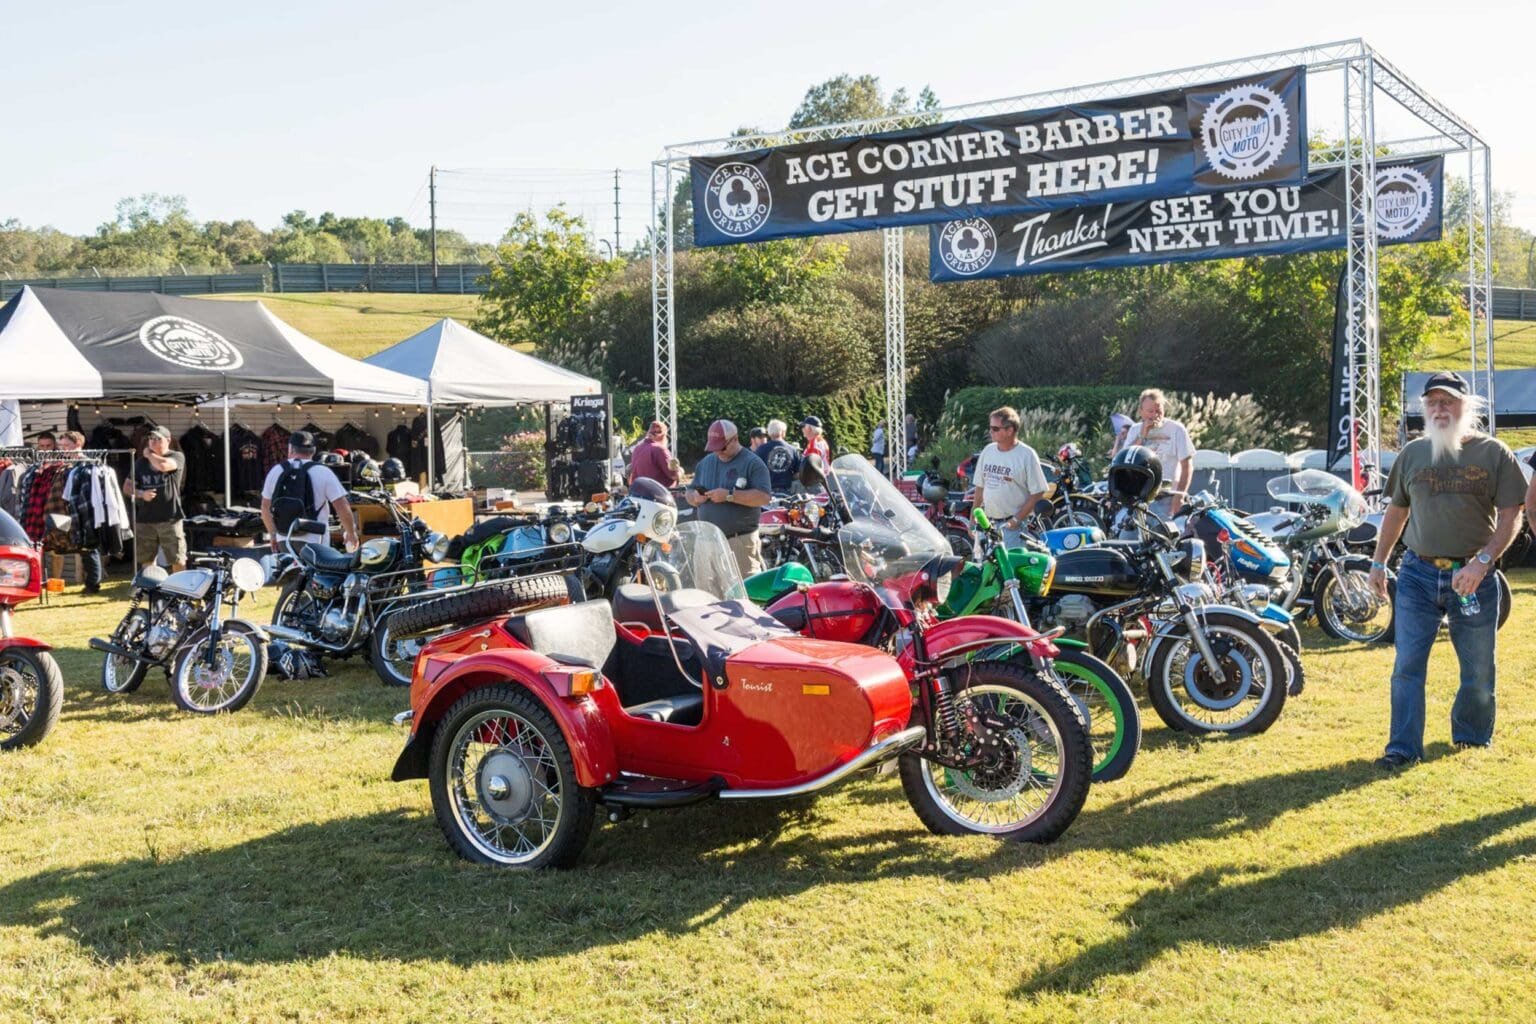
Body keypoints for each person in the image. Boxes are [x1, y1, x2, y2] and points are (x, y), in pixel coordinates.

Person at [1367, 371, 1525, 769]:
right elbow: (1396, 512)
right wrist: (1378, 562)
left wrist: (1483, 562)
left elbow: (1512, 516)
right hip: (1417, 574)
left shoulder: (1493, 453)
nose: (1440, 409)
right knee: (1406, 666)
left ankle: (1472, 737)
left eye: (1448, 401)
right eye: (1433, 402)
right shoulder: (1413, 454)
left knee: (1478, 668)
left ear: (1465, 406)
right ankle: (1402, 748)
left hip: (1473, 576)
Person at [685, 419, 771, 575]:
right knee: (705, 588)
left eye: (722, 448)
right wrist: (695, 498)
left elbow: (763, 497)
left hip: (739, 541)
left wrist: (729, 495)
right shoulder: (705, 463)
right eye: (714, 448)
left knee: (745, 587)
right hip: (706, 541)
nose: (718, 452)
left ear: (735, 439)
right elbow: (689, 492)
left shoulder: (753, 463)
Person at [260, 430, 358, 553]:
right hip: (315, 540)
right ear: (313, 450)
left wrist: (273, 534)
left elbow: (265, 507)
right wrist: (351, 533)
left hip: (284, 538)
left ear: (290, 449)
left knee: (288, 566)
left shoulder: (276, 470)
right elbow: (341, 506)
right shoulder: (323, 471)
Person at [972, 406, 1048, 549]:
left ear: (1009, 430)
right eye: (990, 427)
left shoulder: (1027, 455)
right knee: (984, 563)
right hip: (986, 523)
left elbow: (1038, 492)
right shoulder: (988, 451)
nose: (990, 431)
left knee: (1010, 564)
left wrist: (1016, 520)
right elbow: (980, 487)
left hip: (1012, 527)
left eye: (995, 428)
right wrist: (972, 519)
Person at [1116, 388, 1193, 517]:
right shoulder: (1134, 429)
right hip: (1138, 497)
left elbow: (1187, 465)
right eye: (1150, 411)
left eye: (1158, 411)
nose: (1155, 415)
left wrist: (1180, 496)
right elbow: (1125, 459)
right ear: (1141, 412)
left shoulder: (1176, 429)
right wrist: (1143, 434)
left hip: (1166, 497)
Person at [122, 426, 187, 573]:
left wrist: (149, 454)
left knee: (177, 558)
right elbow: (127, 486)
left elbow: (164, 466)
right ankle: (150, 585)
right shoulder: (140, 463)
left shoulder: (176, 456)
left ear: (168, 440)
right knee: (147, 560)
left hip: (170, 517)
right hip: (145, 519)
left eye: (158, 438)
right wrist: (140, 493)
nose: (153, 441)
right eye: (151, 439)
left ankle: (180, 586)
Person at [52, 431, 104, 593]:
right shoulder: (70, 465)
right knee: (82, 547)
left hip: (87, 511)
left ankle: (93, 585)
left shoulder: (87, 465)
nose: (63, 449)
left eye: (67, 445)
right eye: (61, 446)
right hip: (73, 511)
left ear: (78, 444)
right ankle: (90, 583)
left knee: (89, 547)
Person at [628, 420, 679, 490]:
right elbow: (674, 476)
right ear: (662, 435)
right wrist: (680, 471)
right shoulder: (660, 449)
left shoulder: (637, 448)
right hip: (658, 493)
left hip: (638, 492)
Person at [757, 419, 800, 494]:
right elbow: (798, 473)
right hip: (787, 492)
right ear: (783, 432)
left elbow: (755, 471)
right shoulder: (793, 450)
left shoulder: (761, 449)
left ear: (769, 433)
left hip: (766, 492)